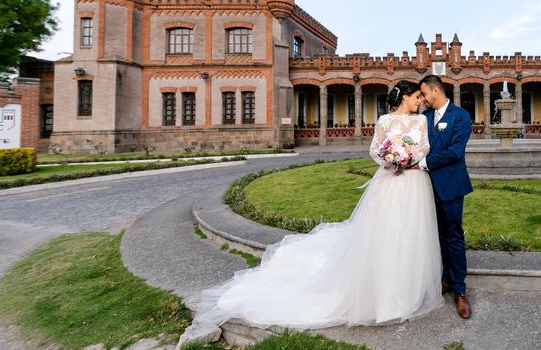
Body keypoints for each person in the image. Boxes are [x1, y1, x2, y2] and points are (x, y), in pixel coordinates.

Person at [178, 80, 441, 347]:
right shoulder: (384, 121)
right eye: (416, 96)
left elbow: (425, 147)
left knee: (410, 234)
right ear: (404, 97)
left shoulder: (420, 122)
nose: (420, 100)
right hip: (389, 183)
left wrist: (408, 159)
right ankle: (383, 298)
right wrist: (389, 160)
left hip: (413, 183)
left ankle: (407, 294)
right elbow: (374, 149)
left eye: (421, 96)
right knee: (385, 235)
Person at [418, 75, 474, 319]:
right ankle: (444, 280)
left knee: (453, 235)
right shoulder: (424, 118)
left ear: (435, 90)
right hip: (426, 187)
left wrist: (425, 162)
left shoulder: (460, 116)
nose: (422, 98)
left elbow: (455, 152)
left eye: (424, 93)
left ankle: (460, 289)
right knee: (435, 235)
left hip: (451, 185)